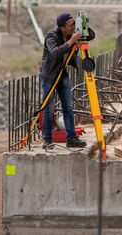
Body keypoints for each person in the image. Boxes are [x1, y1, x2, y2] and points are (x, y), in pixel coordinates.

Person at [40, 12, 95, 149]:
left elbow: (91, 36)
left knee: (68, 107)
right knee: (48, 109)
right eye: (71, 25)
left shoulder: (72, 33)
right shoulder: (51, 37)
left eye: (73, 24)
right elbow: (56, 52)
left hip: (62, 73)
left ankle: (71, 138)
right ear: (62, 27)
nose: (73, 27)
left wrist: (82, 25)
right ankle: (47, 139)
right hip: (49, 75)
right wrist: (71, 41)